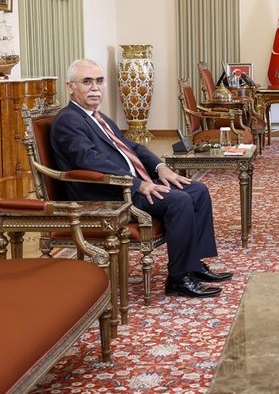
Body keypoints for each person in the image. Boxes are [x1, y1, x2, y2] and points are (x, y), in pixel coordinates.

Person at [51, 59, 232, 298]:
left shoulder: (97, 116)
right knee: (179, 201)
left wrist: (160, 168)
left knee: (197, 191)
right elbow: (89, 161)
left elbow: (132, 146)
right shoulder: (68, 120)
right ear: (70, 87)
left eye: (99, 81)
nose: (95, 87)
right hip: (108, 194)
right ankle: (179, 278)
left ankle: (193, 266)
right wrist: (137, 183)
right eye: (87, 82)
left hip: (129, 185)